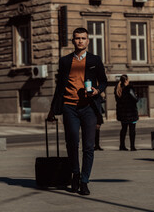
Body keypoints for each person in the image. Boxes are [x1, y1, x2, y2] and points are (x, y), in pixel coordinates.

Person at [47, 27, 107, 196]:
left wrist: (96, 90)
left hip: (89, 107)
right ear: (73, 41)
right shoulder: (65, 61)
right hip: (69, 107)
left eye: (83, 38)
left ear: (88, 41)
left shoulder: (95, 60)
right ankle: (75, 173)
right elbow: (60, 86)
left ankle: (84, 181)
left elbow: (103, 81)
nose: (80, 41)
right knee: (72, 142)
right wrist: (52, 109)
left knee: (88, 147)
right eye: (77, 38)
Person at [114, 74, 139, 151]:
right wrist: (136, 96)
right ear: (126, 80)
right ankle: (132, 146)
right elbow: (135, 99)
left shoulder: (118, 89)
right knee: (132, 129)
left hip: (122, 112)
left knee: (123, 129)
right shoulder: (129, 88)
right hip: (131, 112)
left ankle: (122, 145)